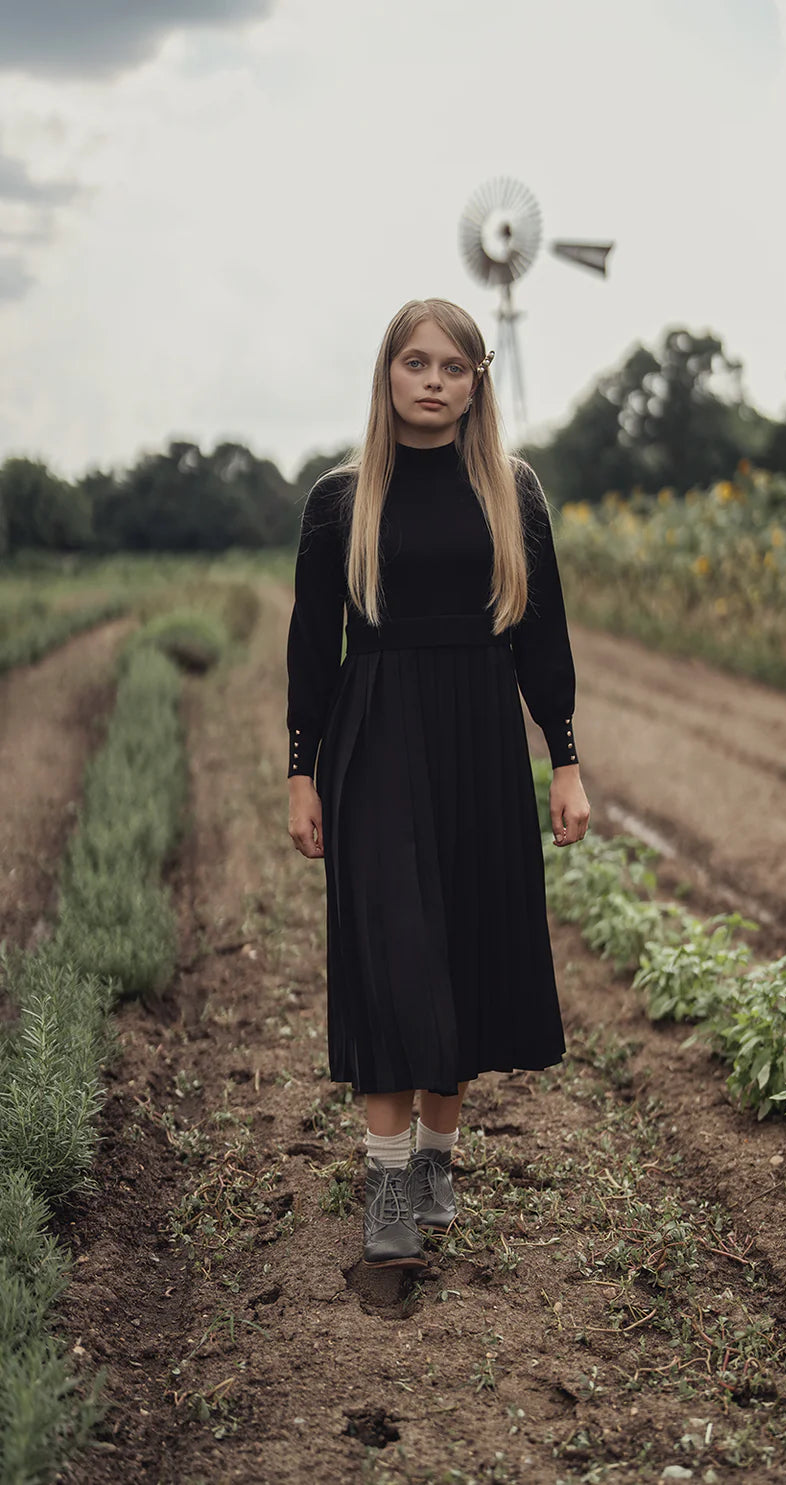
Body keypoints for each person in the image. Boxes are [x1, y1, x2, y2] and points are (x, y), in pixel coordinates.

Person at [286, 297, 590, 1269]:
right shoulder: (341, 501)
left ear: (476, 383)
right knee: (389, 955)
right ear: (387, 375)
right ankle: (384, 1187)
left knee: (459, 949)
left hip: (480, 739)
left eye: (453, 367)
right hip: (373, 737)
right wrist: (302, 771)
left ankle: (436, 1163)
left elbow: (542, 639)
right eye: (415, 363)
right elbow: (309, 650)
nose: (432, 381)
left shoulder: (512, 490)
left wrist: (567, 759)